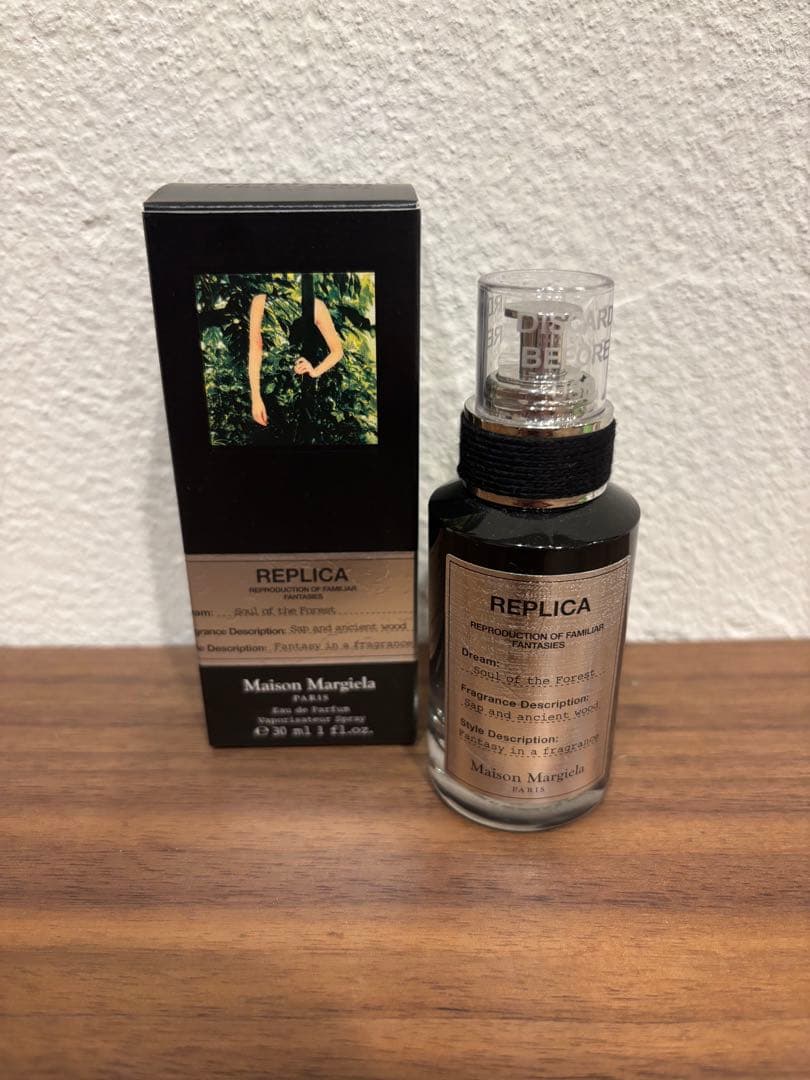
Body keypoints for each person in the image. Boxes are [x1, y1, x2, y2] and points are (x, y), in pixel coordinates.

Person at [248, 275, 344, 431]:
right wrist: (256, 397)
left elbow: (337, 351)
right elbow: (255, 348)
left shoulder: (315, 305)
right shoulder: (261, 300)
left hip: (294, 394)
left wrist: (314, 371)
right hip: (272, 393)